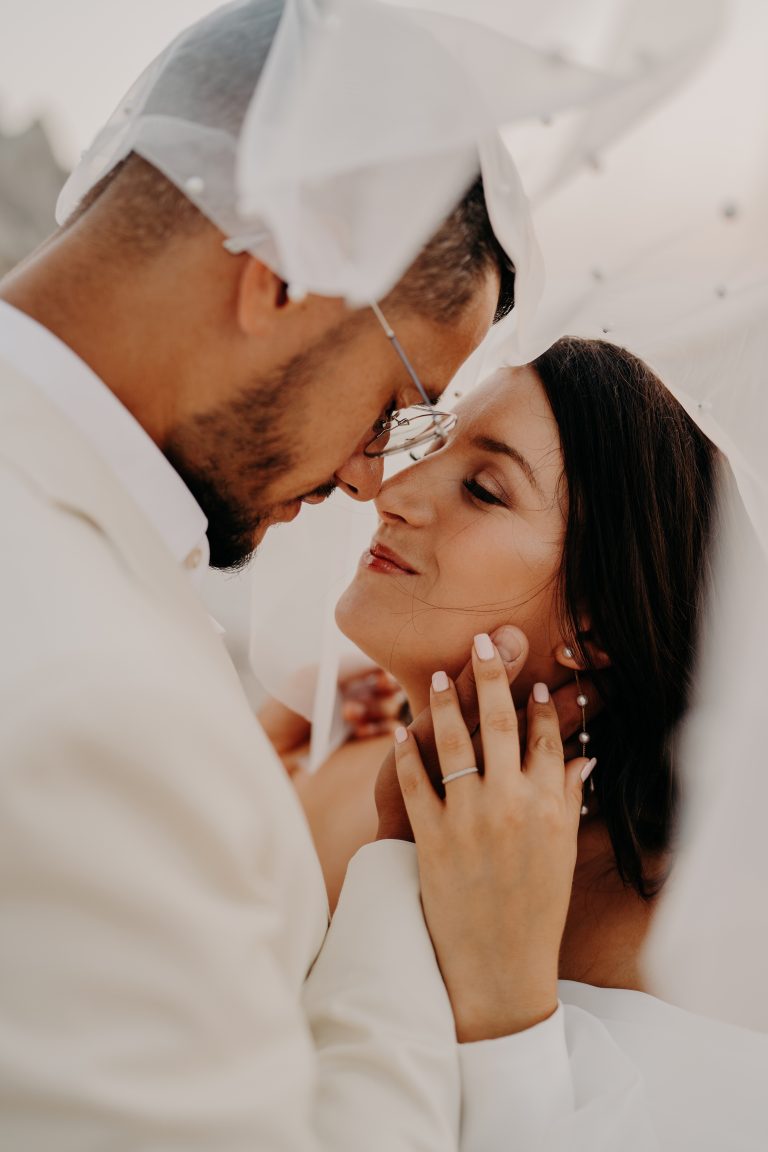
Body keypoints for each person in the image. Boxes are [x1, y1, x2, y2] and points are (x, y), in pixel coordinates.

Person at [0, 3, 535, 1148]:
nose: (366, 479)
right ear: (283, 274)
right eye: (398, 405)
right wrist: (403, 874)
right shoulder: (96, 714)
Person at [295, 336, 765, 1148]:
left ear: (596, 622)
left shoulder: (694, 929)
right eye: (430, 446)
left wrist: (509, 1010)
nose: (394, 490)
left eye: (484, 488)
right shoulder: (342, 792)